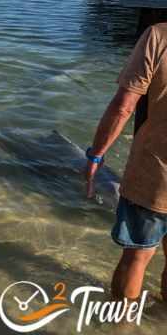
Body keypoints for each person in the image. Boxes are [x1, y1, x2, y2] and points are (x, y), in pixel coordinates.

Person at [85, 23, 167, 303]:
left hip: (154, 176)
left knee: (137, 257)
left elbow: (124, 106)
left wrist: (96, 154)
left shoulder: (158, 36)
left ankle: (122, 325)